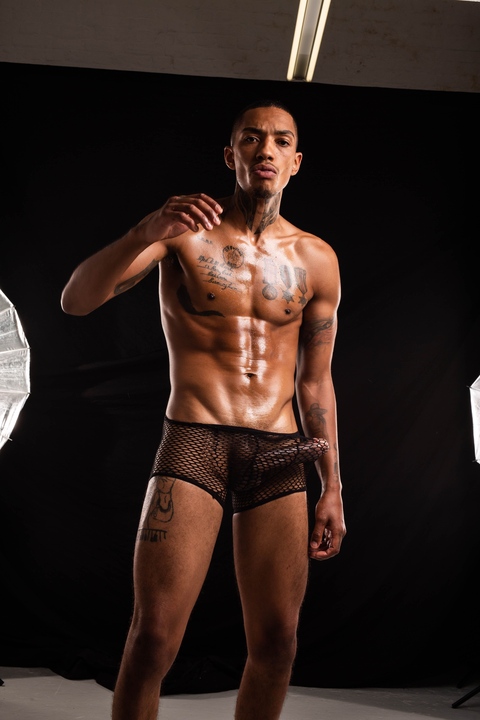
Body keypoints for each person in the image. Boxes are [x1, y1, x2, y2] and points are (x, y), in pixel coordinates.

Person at [61, 99, 346, 720]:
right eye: (251, 138)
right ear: (230, 154)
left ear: (296, 162)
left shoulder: (317, 259)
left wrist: (333, 488)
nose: (265, 149)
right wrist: (143, 231)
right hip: (196, 441)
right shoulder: (184, 233)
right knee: (152, 637)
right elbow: (75, 301)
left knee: (278, 643)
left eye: (281, 141)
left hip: (280, 451)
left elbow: (316, 383)